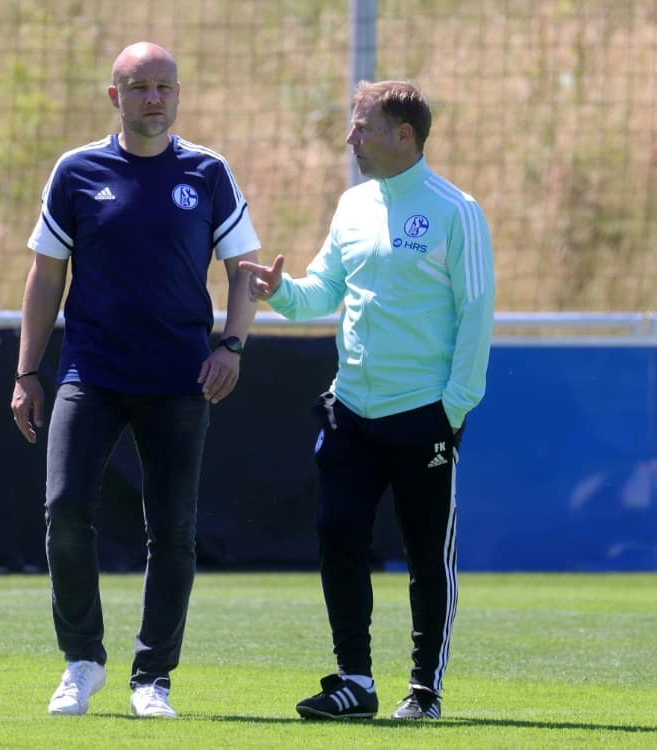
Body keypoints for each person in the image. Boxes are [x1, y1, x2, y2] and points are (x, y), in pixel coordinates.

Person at [10, 41, 260, 719]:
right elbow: (45, 276)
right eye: (141, 86)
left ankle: (153, 679)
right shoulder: (76, 171)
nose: (155, 98)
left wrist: (232, 345)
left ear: (178, 94)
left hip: (180, 378)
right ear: (114, 96)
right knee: (65, 509)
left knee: (173, 530)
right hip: (90, 372)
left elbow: (243, 269)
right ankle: (82, 661)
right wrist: (27, 370)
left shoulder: (207, 172)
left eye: (165, 86)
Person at [240, 80, 494, 721]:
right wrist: (281, 292)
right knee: (338, 535)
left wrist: (454, 408)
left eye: (363, 127)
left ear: (403, 135)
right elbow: (324, 290)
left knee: (426, 553)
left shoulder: (456, 210)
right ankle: (355, 681)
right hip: (350, 411)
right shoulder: (352, 205)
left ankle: (424, 691)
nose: (349, 138)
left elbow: (476, 312)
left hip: (424, 415)